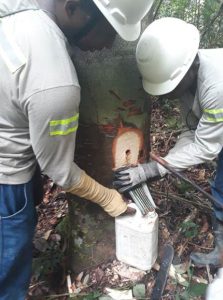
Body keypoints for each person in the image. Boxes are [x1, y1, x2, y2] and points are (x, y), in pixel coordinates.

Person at [0, 0, 154, 299]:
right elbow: (58, 169)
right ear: (72, 8)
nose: (110, 42)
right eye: (109, 30)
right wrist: (107, 197)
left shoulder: (19, 15)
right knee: (7, 274)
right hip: (6, 182)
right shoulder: (56, 84)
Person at [113, 17, 223, 268]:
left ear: (189, 69)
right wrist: (163, 165)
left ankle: (222, 255)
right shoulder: (188, 76)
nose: (167, 94)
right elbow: (192, 130)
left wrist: (154, 169)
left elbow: (206, 146)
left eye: (169, 87)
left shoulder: (217, 86)